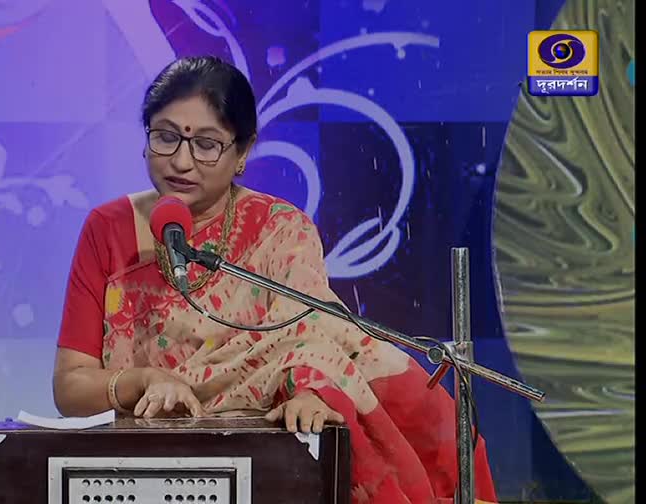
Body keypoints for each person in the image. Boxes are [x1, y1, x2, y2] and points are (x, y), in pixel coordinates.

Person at [52, 55, 497, 503]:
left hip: (268, 459)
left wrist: (311, 393)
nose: (181, 161)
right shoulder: (106, 228)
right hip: (149, 470)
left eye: (206, 144)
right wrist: (143, 381)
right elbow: (70, 389)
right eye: (166, 137)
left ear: (242, 152)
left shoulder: (282, 230)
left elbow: (312, 339)